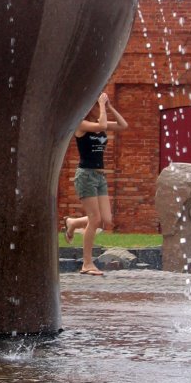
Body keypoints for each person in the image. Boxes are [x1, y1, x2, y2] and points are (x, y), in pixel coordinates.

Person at [64, 91, 129, 276]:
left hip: (100, 177)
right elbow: (101, 123)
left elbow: (123, 125)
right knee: (95, 219)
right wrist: (101, 105)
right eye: (95, 105)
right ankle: (87, 263)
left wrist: (109, 107)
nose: (97, 108)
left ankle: (73, 222)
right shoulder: (81, 124)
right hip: (86, 175)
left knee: (105, 219)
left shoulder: (100, 124)